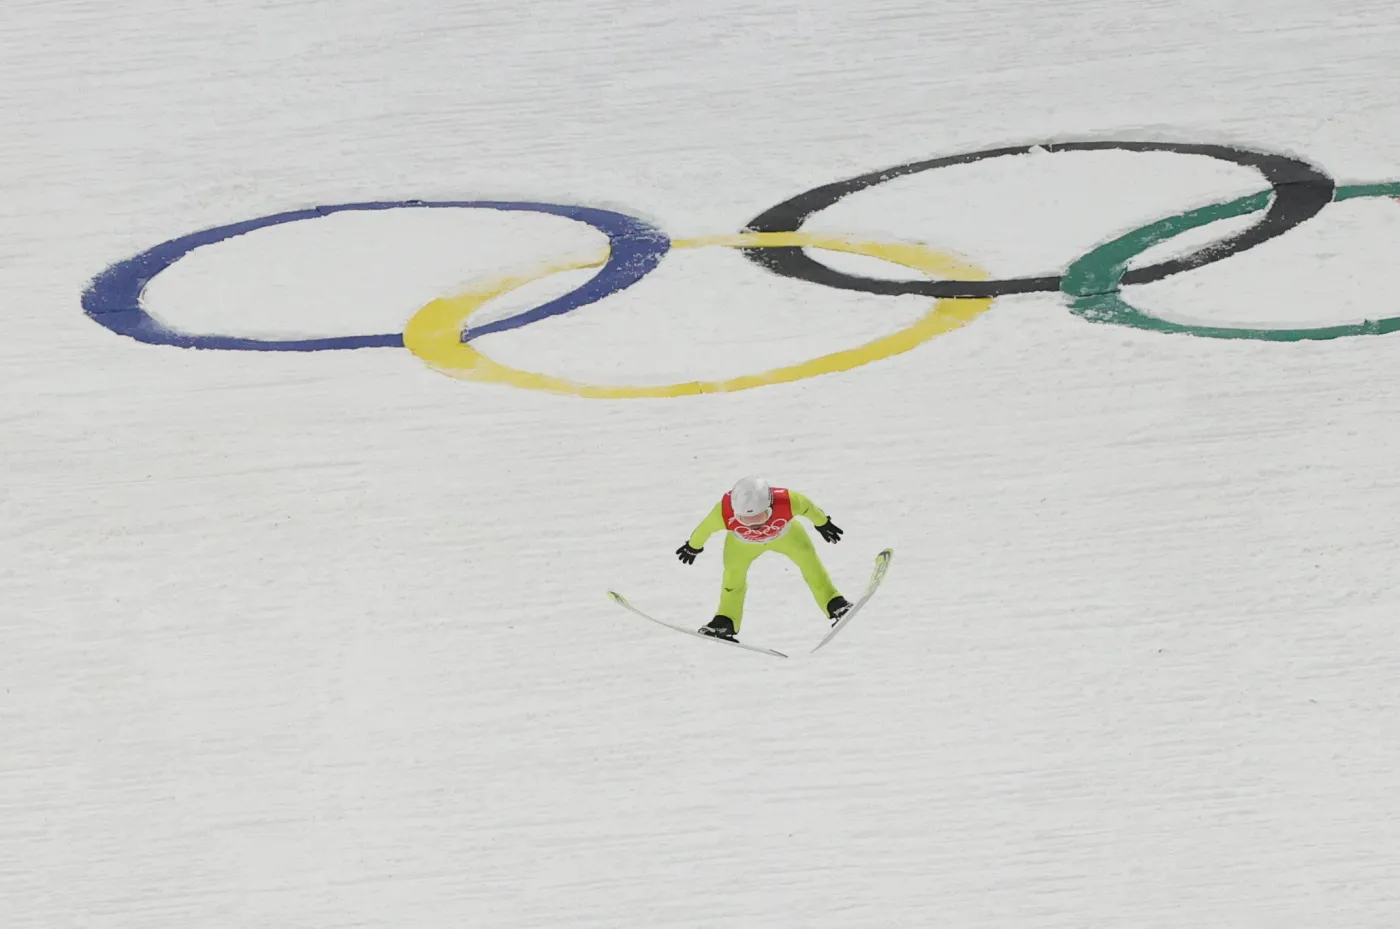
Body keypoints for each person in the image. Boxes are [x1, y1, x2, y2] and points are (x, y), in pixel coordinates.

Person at [675, 476, 851, 640]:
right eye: (745, 519)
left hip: (787, 537)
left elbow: (807, 507)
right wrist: (693, 546)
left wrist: (822, 522)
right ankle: (726, 619)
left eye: (760, 517)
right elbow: (705, 528)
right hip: (742, 545)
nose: (755, 526)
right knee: (733, 577)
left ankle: (834, 603)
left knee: (810, 565)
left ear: (771, 505)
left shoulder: (787, 500)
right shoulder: (723, 511)